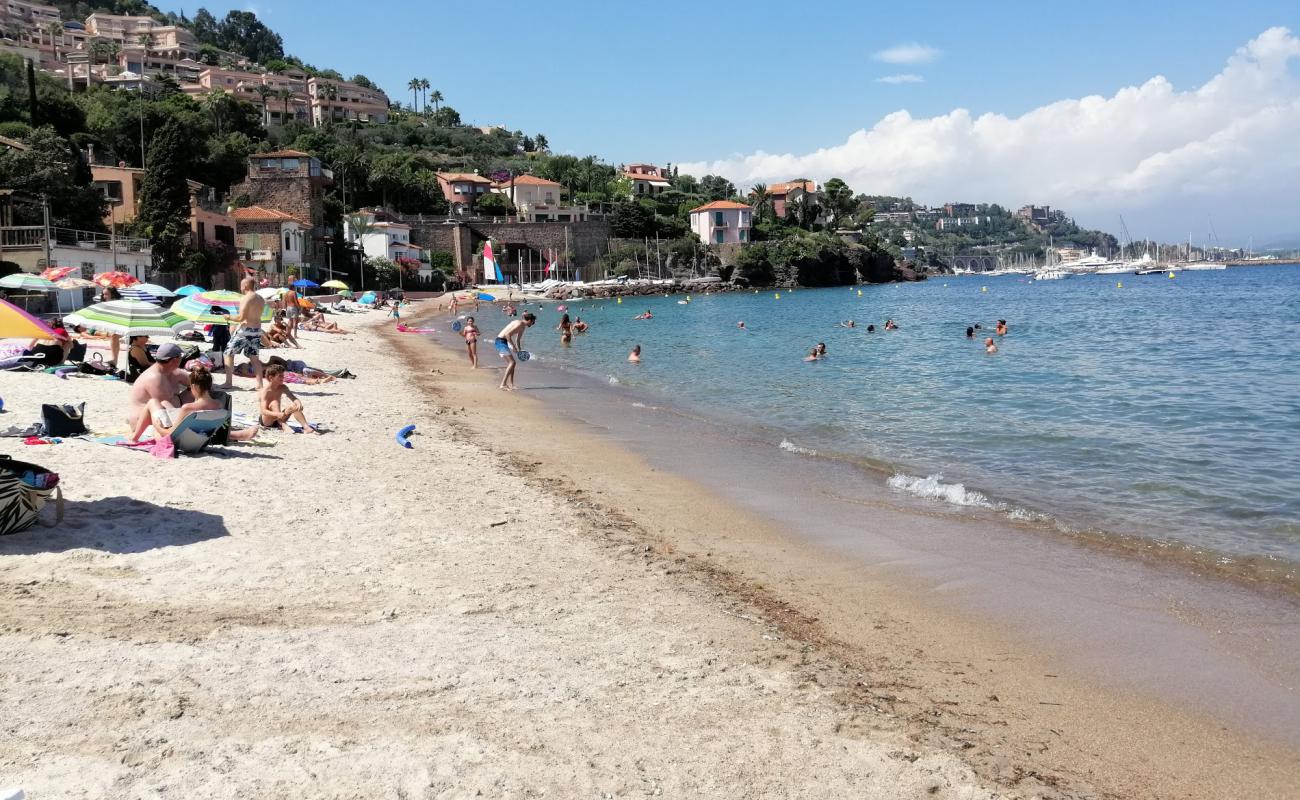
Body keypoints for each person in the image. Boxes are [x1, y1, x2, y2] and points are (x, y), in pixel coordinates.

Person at [129, 365, 257, 443]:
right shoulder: (218, 405)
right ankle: (238, 435)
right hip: (202, 438)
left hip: (182, 441)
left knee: (152, 402)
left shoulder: (188, 408)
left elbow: (169, 434)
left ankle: (134, 437)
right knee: (164, 403)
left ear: (194, 386)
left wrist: (158, 427)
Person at [126, 342, 192, 431]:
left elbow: (198, 385)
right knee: (166, 403)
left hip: (167, 414)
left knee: (196, 390)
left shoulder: (173, 372)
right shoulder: (155, 378)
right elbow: (166, 409)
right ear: (175, 360)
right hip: (146, 424)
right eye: (180, 357)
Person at [223, 277, 266, 390]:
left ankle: (228, 382)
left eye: (241, 285)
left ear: (246, 285)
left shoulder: (246, 298)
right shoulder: (260, 298)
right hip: (257, 330)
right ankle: (259, 384)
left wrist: (228, 317)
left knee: (228, 353)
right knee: (254, 358)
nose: (240, 287)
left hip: (245, 331)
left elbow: (240, 317)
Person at [259, 363, 320, 433]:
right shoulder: (265, 391)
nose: (283, 378)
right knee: (274, 402)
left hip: (279, 418)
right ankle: (283, 425)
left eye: (283, 375)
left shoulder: (282, 387)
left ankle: (306, 427)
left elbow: (293, 398)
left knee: (295, 406)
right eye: (280, 376)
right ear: (271, 378)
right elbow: (263, 411)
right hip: (267, 421)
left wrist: (298, 403)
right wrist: (277, 414)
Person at [495, 312, 536, 391]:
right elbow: (507, 334)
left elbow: (517, 340)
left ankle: (511, 384)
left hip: (504, 342)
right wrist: (513, 347)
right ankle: (503, 384)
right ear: (529, 320)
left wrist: (519, 351)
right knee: (512, 363)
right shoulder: (519, 323)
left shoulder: (523, 327)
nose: (533, 324)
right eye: (533, 322)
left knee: (513, 363)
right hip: (500, 341)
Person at [98, 286, 123, 369]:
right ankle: (114, 360)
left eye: (106, 294)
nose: (104, 296)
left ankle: (114, 360)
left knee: (114, 337)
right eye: (103, 294)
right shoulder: (106, 304)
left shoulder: (119, 303)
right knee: (114, 338)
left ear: (112, 294)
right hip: (115, 324)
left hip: (122, 324)